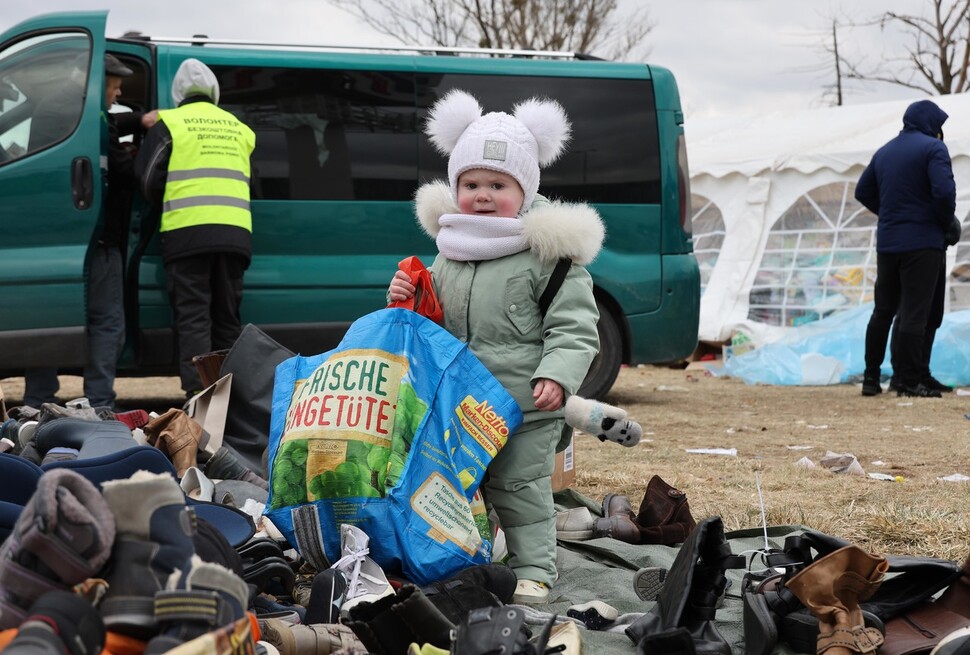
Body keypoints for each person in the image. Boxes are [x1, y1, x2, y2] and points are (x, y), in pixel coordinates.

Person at [387, 89, 602, 603]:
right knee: (462, 483)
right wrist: (404, 297)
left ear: (525, 190)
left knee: (519, 485)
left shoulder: (547, 254)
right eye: (472, 183)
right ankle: (484, 550)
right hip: (463, 402)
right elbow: (431, 321)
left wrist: (557, 374)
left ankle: (535, 569)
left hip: (526, 401)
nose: (482, 195)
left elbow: (574, 327)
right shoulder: (451, 248)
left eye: (498, 185)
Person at [23, 54, 157, 409]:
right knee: (106, 321)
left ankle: (38, 402)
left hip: (61, 239)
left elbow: (107, 131)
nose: (118, 93)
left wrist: (138, 120)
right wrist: (138, 154)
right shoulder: (92, 119)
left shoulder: (62, 111)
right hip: (97, 238)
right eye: (113, 86)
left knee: (48, 317)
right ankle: (100, 404)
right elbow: (125, 172)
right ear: (97, 82)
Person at [134, 58, 256, 399]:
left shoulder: (169, 123)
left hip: (187, 234)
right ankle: (233, 396)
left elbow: (146, 180)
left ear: (178, 94)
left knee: (193, 317)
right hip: (234, 235)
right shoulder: (239, 128)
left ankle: (199, 396)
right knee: (227, 319)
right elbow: (252, 182)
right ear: (214, 92)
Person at [856, 99, 956, 398]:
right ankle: (908, 380)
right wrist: (941, 222)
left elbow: (863, 191)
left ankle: (872, 378)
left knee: (883, 311)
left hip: (888, 243)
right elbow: (944, 192)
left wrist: (890, 213)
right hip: (922, 244)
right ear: (930, 124)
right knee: (917, 312)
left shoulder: (884, 151)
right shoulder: (933, 148)